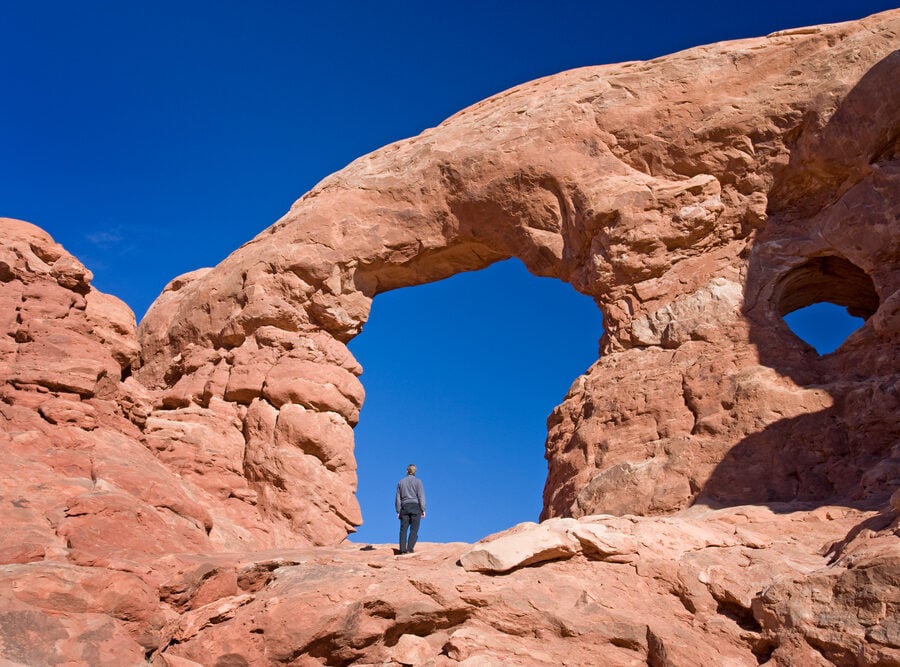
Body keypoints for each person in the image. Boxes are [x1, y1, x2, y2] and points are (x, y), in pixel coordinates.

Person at [395, 464, 426, 554]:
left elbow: (398, 498)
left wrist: (398, 510)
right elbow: (421, 496)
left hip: (404, 507)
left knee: (403, 529)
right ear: (415, 472)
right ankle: (409, 548)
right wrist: (423, 509)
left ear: (406, 471)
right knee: (414, 529)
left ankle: (402, 550)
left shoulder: (401, 482)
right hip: (415, 507)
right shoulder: (418, 482)